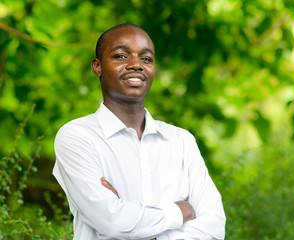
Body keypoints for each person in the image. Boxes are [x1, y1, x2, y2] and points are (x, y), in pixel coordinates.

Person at [53, 23, 226, 240]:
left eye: (146, 59)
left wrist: (137, 224)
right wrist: (180, 211)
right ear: (97, 66)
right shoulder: (77, 137)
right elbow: (113, 222)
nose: (136, 64)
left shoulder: (182, 141)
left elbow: (214, 227)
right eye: (121, 56)